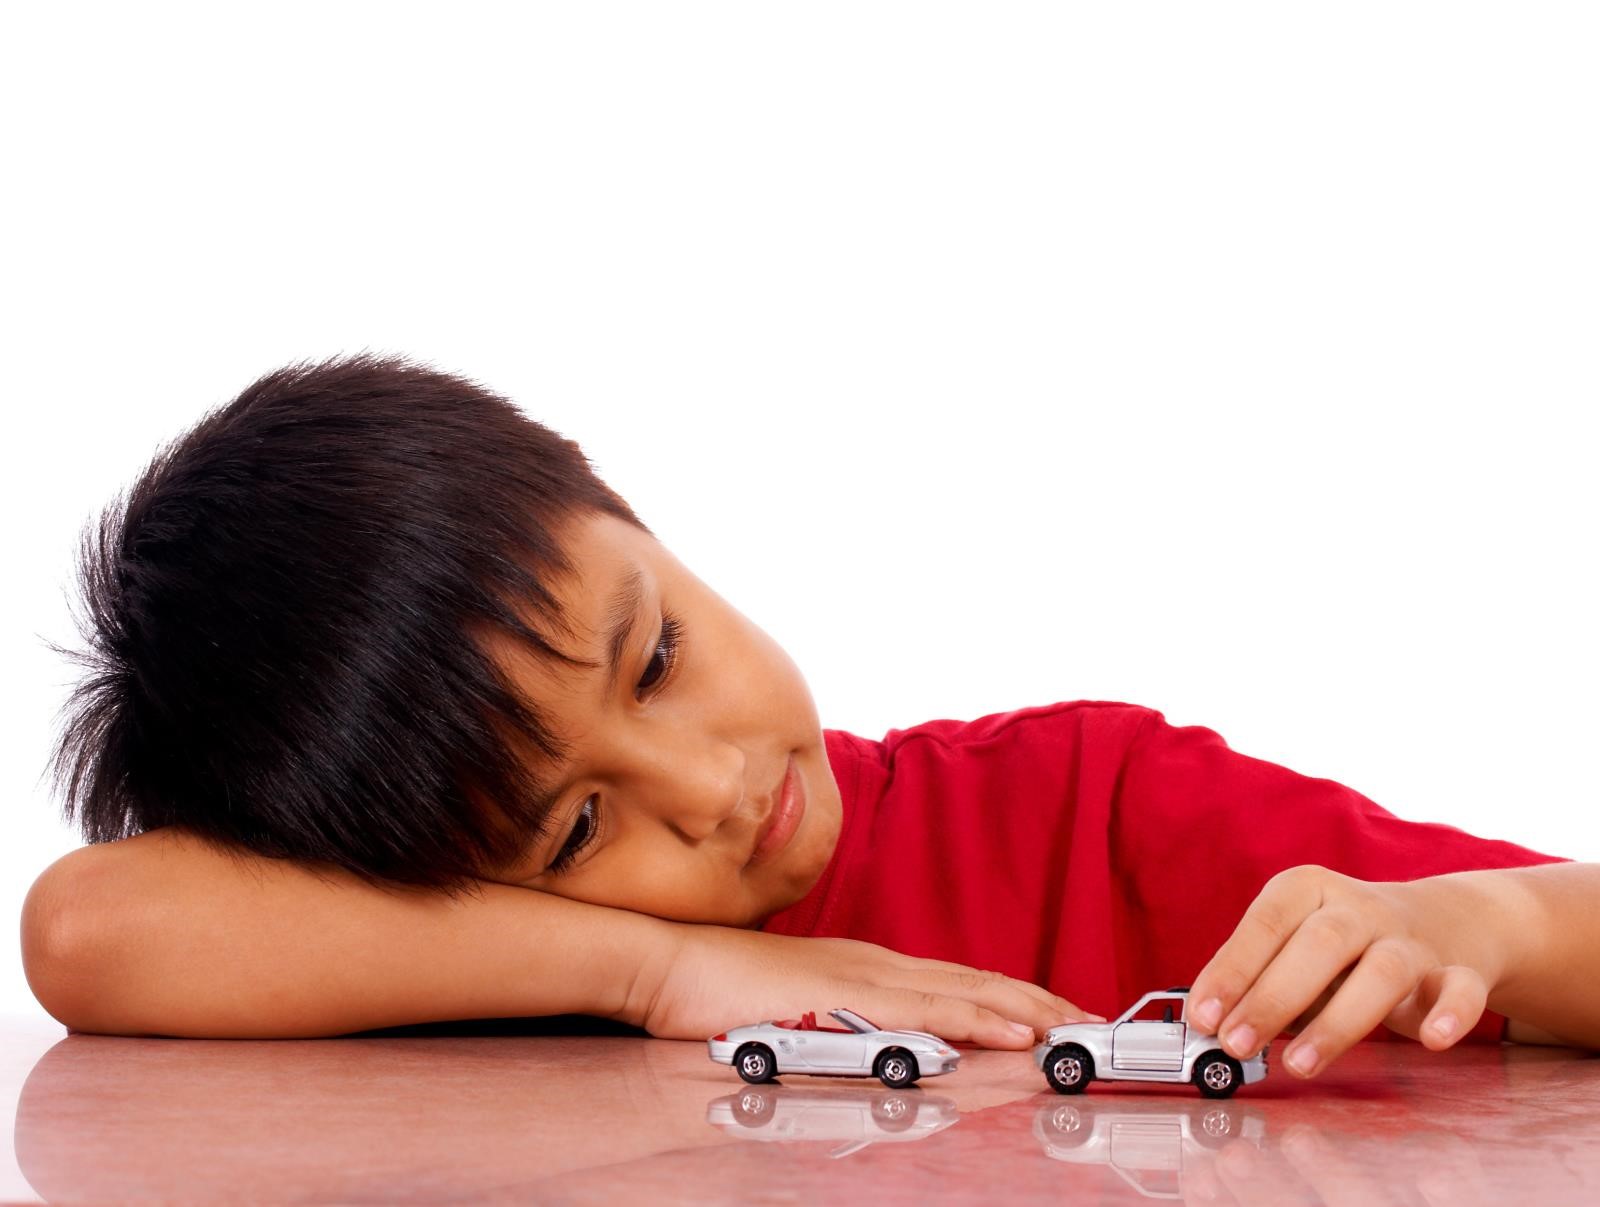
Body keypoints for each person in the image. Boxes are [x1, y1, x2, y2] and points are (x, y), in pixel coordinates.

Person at [22, 355, 1598, 1081]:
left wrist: (1483, 923)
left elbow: (1558, 937)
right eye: (576, 829)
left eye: (652, 660)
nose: (707, 788)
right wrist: (661, 967)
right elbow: (91, 930)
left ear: (618, 501)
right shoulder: (491, 984)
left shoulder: (1082, 799)